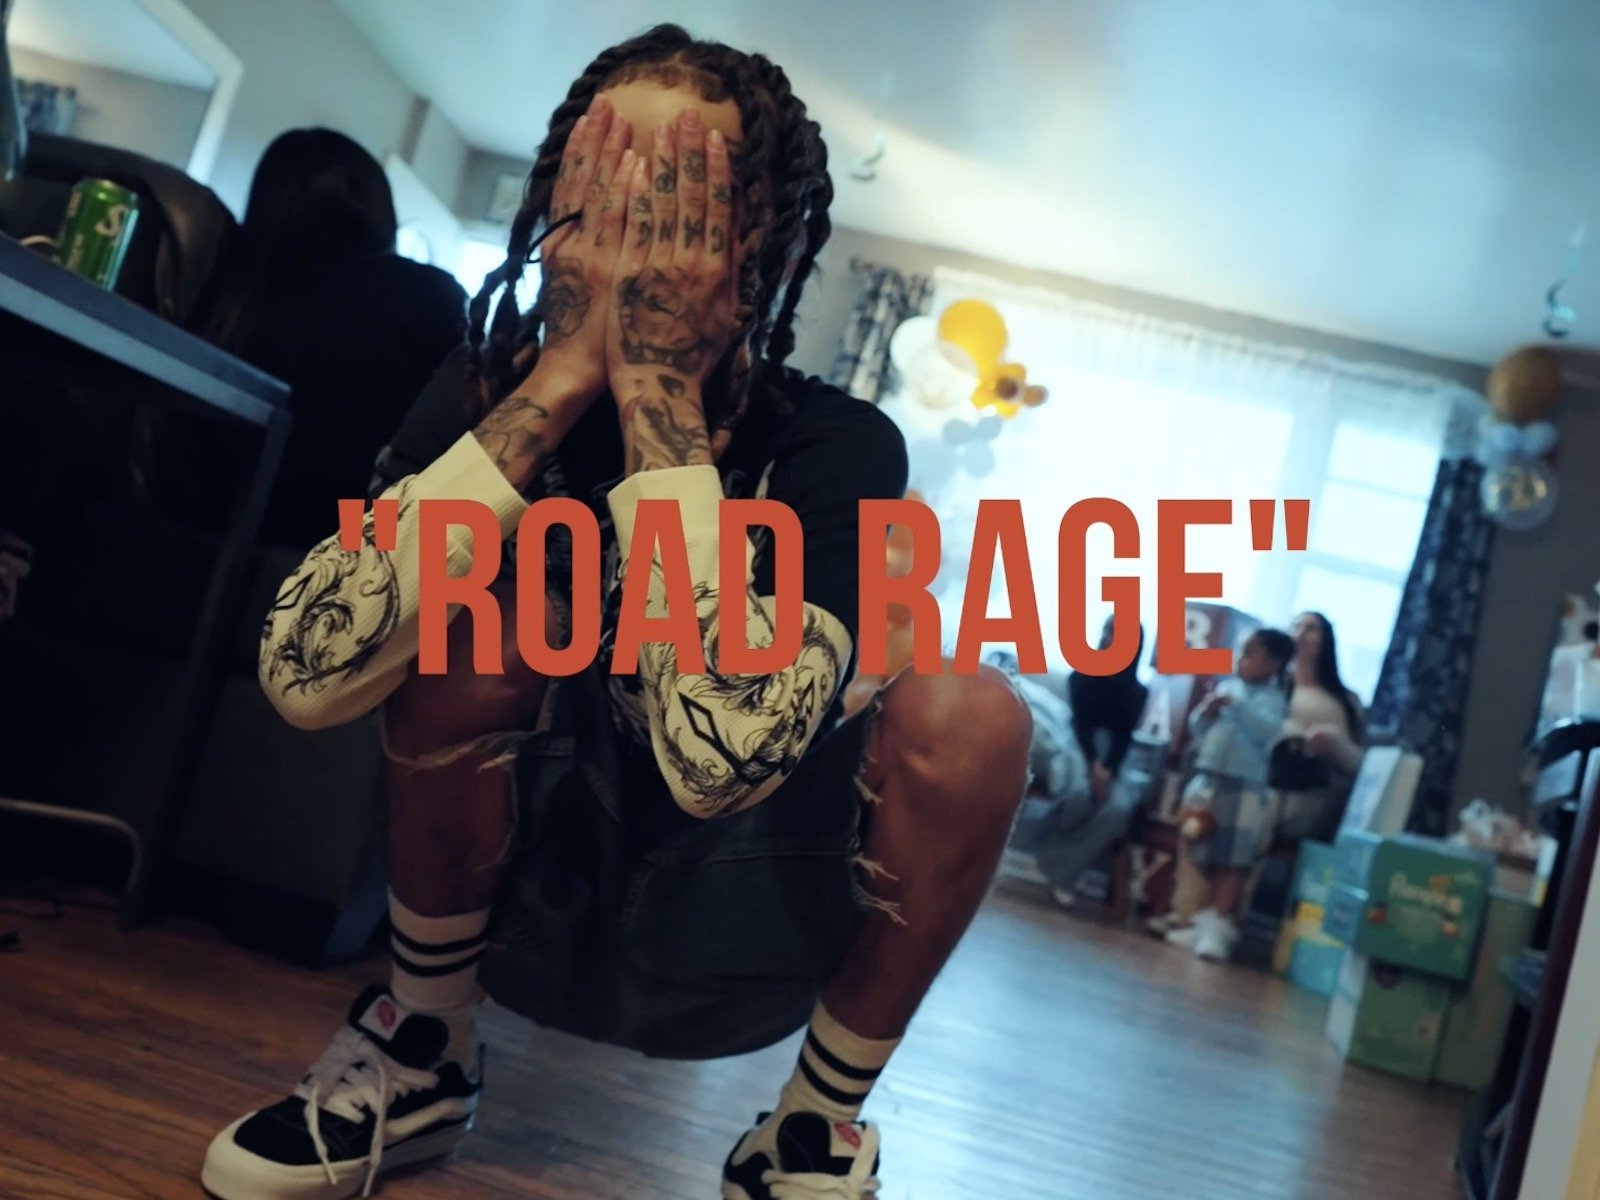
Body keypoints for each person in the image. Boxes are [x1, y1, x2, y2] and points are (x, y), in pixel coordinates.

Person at [200, 26, 1032, 1200]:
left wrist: (656, 393)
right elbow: (304, 676)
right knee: (479, 617)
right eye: (604, 188)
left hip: (742, 918)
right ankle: (421, 1052)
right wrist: (554, 382)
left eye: (682, 199)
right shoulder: (484, 388)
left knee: (976, 712)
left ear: (752, 245)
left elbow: (717, 763)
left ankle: (810, 1133)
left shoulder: (839, 447)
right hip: (523, 901)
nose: (638, 234)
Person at [176, 128, 468, 547]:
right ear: (377, 208)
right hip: (348, 548)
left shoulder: (225, 290)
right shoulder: (423, 294)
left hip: (193, 535)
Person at [1164, 628, 1296, 961]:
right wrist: (1206, 712)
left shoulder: (1273, 699)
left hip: (1244, 786)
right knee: (1201, 852)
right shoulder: (1229, 687)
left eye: (1250, 655)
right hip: (1209, 780)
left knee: (1232, 861)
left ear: (1273, 664)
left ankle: (1218, 926)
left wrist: (1236, 707)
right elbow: (1198, 729)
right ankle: (1195, 922)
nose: (1241, 661)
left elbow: (1266, 731)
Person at [1271, 610, 1367, 845]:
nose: (1301, 634)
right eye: (1296, 626)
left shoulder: (1346, 700)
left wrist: (1333, 744)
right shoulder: (1273, 688)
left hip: (1319, 787)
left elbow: (1359, 764)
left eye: (1311, 628)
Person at [1068, 615, 1148, 803]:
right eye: (1109, 631)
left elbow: (1124, 735)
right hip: (1079, 744)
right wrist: (1094, 765)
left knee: (1118, 805)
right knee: (1078, 795)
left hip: (1112, 752)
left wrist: (1108, 770)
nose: (1109, 638)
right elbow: (1081, 724)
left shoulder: (1139, 692)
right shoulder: (1080, 677)